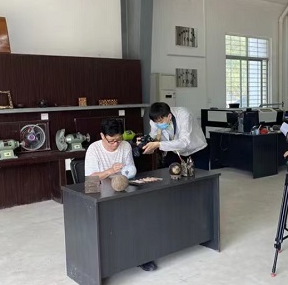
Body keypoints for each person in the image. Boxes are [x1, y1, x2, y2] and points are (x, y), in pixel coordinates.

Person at [84, 119, 156, 271]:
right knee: (110, 223)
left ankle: (141, 255)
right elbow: (90, 180)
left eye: (119, 139)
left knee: (142, 213)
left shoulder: (125, 146)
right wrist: (110, 171)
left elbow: (131, 171)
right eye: (111, 141)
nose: (115, 144)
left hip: (122, 187)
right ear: (102, 136)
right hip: (100, 191)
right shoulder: (93, 149)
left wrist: (127, 172)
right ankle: (108, 260)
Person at [142, 103, 209, 169]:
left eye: (161, 122)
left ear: (169, 116)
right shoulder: (155, 120)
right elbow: (154, 136)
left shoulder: (184, 115)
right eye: (156, 122)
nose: (158, 124)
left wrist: (158, 144)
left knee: (199, 174)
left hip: (195, 150)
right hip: (175, 151)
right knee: (168, 173)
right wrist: (145, 142)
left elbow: (184, 142)